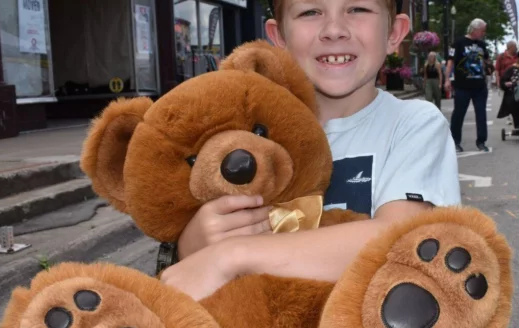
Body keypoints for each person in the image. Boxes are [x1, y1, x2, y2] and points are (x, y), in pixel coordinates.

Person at [159, 0, 462, 301]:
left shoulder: (413, 124)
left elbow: (401, 241)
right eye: (310, 12)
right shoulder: (241, 133)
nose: (334, 30)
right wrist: (189, 244)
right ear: (278, 37)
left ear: (395, 32)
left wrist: (231, 255)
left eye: (357, 9)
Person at [445, 18, 492, 153]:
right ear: (475, 30)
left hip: (479, 86)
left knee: (481, 114)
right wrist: (447, 79)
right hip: (462, 86)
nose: (484, 33)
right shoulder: (458, 43)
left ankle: (481, 141)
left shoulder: (482, 45)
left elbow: (486, 61)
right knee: (458, 114)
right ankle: (455, 142)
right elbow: (450, 62)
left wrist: (488, 69)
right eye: (482, 30)